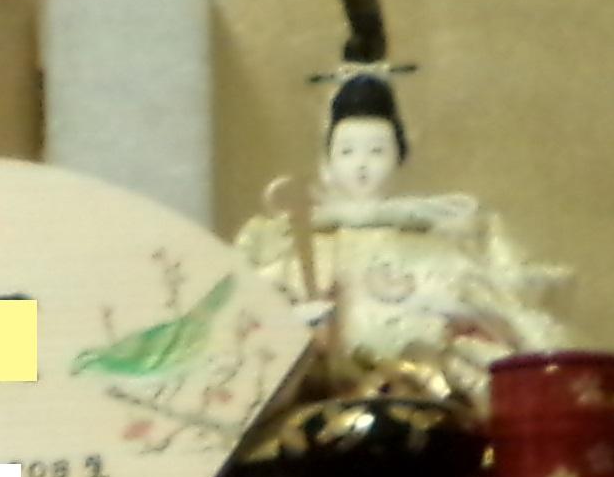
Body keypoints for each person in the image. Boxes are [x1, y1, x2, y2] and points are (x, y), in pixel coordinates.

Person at [235, 74, 570, 413]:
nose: (361, 165)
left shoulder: (441, 243)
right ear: (329, 159)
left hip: (424, 392)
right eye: (347, 151)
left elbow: (495, 314)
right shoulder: (289, 244)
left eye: (377, 151)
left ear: (400, 154)